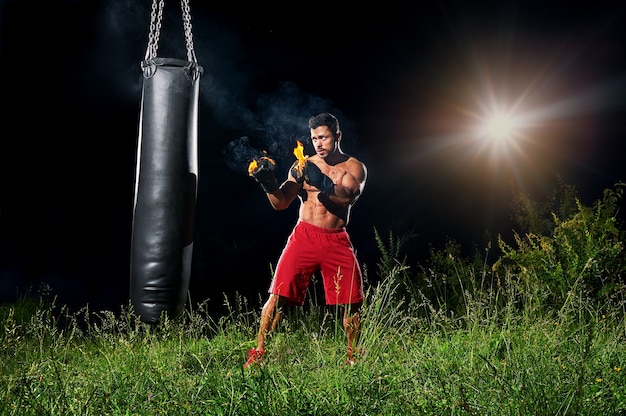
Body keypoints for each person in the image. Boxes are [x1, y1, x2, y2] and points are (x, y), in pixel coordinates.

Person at [245, 112, 367, 368]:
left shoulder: (353, 167)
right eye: (314, 139)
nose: (318, 143)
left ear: (337, 136)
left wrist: (319, 180)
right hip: (304, 236)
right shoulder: (303, 165)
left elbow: (346, 198)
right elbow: (281, 203)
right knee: (277, 296)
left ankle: (353, 358)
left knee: (351, 301)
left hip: (336, 239)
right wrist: (267, 183)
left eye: (323, 137)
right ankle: (258, 355)